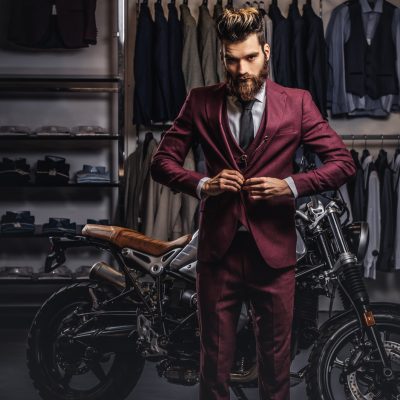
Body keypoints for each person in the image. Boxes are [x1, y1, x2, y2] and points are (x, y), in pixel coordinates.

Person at [150, 7, 356, 400]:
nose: (241, 69)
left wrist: (292, 186)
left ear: (266, 52)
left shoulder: (296, 103)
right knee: (214, 366)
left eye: (249, 57)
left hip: (274, 255)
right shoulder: (199, 102)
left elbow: (343, 163)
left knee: (276, 368)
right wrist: (204, 183)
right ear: (222, 58)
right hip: (218, 254)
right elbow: (161, 163)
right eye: (231, 59)